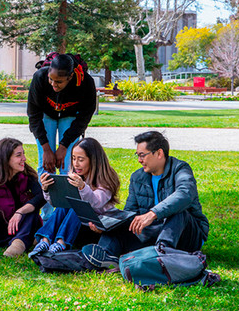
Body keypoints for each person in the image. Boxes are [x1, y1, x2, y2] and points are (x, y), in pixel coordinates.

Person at [82, 131, 209, 268]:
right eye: (138, 155)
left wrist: (153, 214)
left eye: (142, 155)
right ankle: (105, 256)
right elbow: (130, 213)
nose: (139, 160)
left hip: (186, 233)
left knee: (178, 211)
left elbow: (185, 194)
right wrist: (108, 226)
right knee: (123, 225)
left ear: (159, 153)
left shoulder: (180, 169)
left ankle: (161, 255)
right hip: (153, 233)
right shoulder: (137, 177)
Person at [27, 54, 97, 219]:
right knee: (45, 165)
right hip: (46, 115)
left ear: (70, 77)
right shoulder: (40, 78)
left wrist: (64, 147)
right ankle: (46, 216)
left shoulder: (85, 83)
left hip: (71, 116)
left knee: (69, 166)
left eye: (59, 82)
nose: (53, 84)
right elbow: (33, 115)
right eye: (51, 79)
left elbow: (83, 119)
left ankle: (66, 213)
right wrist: (46, 148)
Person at [28, 137, 120, 257]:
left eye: (80, 159)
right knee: (64, 204)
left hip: (95, 227)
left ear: (93, 160)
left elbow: (96, 203)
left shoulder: (105, 179)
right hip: (74, 227)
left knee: (77, 206)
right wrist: (47, 190)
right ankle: (45, 241)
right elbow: (56, 202)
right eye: (73, 158)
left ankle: (61, 243)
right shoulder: (74, 176)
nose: (76, 163)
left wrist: (82, 187)